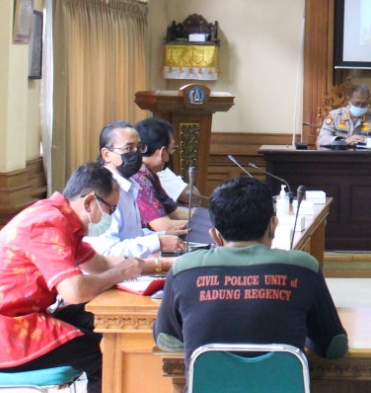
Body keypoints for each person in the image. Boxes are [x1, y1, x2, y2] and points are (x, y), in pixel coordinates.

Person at [0, 162, 142, 393]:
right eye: (109, 210)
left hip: (16, 321)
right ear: (89, 202)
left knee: (96, 320)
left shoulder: (64, 219)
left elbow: (98, 266)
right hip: (2, 334)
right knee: (105, 353)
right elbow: (74, 290)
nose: (108, 217)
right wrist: (119, 274)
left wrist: (154, 266)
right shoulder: (46, 225)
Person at [154, 175, 348, 364]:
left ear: (215, 235)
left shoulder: (184, 269)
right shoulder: (303, 267)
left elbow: (166, 339)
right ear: (273, 226)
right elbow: (334, 347)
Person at [85, 120, 184, 270]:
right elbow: (106, 251)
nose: (136, 154)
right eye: (129, 148)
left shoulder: (129, 185)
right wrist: (158, 242)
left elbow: (130, 235)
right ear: (107, 155)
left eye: (139, 148)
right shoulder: (102, 191)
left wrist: (163, 235)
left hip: (130, 271)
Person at [130, 117, 188, 232]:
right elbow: (164, 227)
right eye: (172, 148)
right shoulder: (139, 178)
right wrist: (214, 225)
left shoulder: (149, 174)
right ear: (162, 151)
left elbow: (174, 211)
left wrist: (212, 217)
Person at [317, 83, 371, 147]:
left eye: (364, 104)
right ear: (349, 99)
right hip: (339, 157)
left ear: (369, 101)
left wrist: (364, 141)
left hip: (364, 157)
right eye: (357, 103)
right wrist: (344, 142)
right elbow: (323, 139)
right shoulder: (334, 115)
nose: (360, 107)